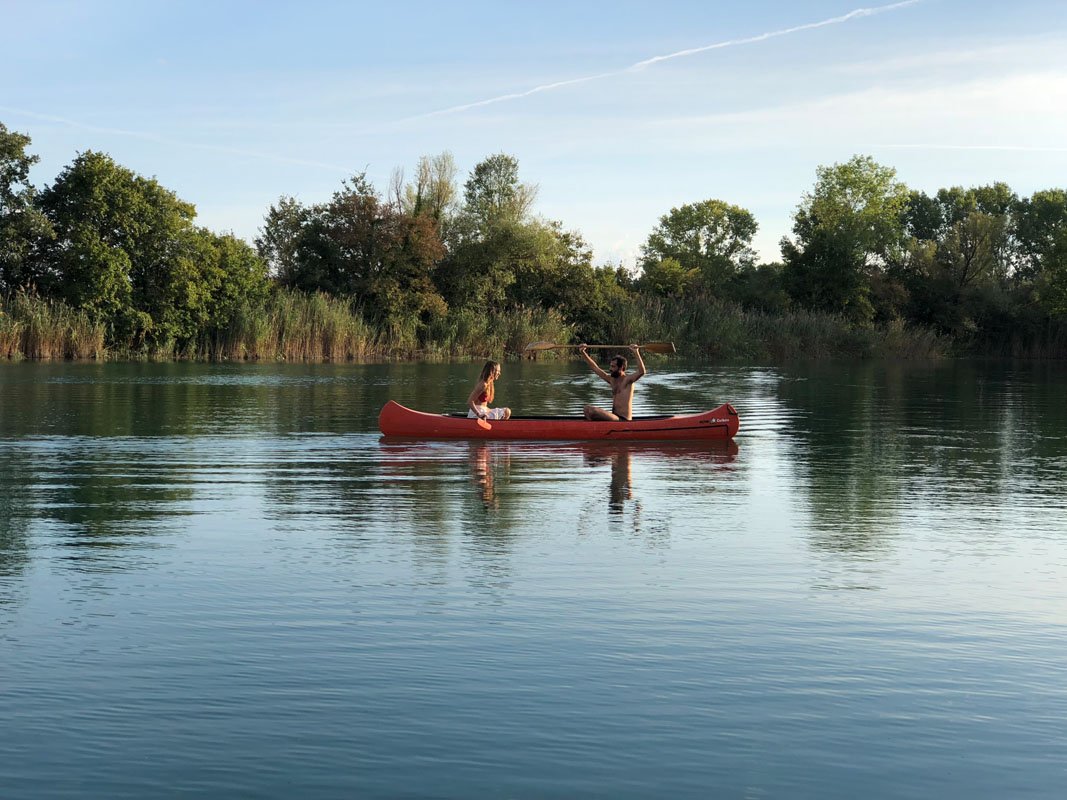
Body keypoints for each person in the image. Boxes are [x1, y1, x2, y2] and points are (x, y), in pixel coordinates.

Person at [578, 344, 645, 421]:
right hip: (614, 417)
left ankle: (592, 428)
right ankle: (592, 428)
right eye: (610, 366)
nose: (610, 369)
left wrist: (636, 352)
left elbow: (641, 371)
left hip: (623, 419)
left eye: (613, 366)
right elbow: (594, 368)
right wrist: (583, 352)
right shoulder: (612, 380)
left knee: (592, 410)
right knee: (586, 409)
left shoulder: (627, 380)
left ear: (621, 368)